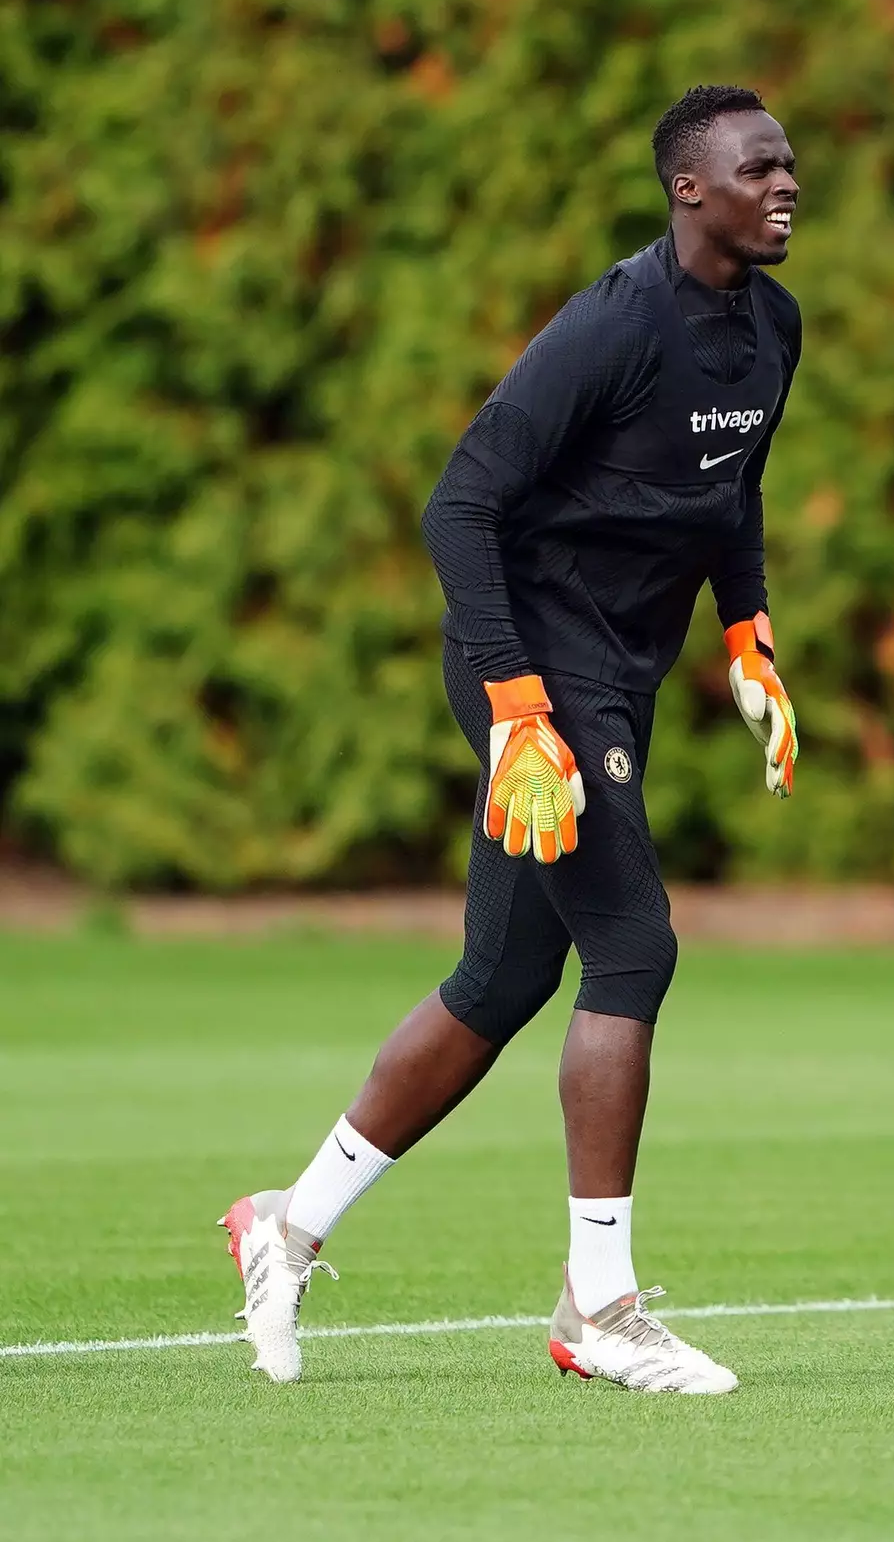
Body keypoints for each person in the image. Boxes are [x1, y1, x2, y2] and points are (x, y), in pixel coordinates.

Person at [219, 85, 802, 1395]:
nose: (786, 187)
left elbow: (732, 491)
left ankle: (287, 1224)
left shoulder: (774, 326)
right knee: (634, 943)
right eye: (759, 169)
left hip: (620, 674)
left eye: (790, 168)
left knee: (499, 981)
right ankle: (600, 1307)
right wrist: (513, 707)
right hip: (538, 671)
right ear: (688, 190)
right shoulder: (615, 326)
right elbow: (460, 504)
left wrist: (747, 632)